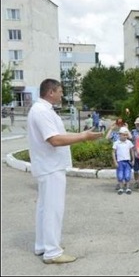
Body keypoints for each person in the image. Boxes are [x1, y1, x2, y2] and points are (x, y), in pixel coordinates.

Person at [28, 78, 103, 264]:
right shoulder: (41, 111)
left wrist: (82, 134)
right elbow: (54, 140)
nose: (62, 94)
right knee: (53, 210)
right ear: (51, 92)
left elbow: (58, 136)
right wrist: (84, 136)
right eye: (60, 91)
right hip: (50, 167)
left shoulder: (42, 110)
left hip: (49, 166)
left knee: (45, 208)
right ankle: (52, 252)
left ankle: (43, 245)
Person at [112, 127, 135, 195]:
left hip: (127, 161)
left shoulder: (129, 142)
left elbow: (132, 151)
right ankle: (121, 188)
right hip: (120, 162)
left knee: (127, 175)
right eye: (123, 135)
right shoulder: (116, 143)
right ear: (119, 135)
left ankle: (128, 188)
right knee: (120, 175)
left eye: (126, 135)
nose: (125, 136)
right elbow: (113, 152)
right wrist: (115, 161)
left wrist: (133, 159)